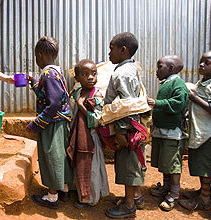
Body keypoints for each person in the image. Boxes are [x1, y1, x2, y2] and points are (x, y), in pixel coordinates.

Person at [26, 36, 73, 209]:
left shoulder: (48, 73)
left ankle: (52, 196)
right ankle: (64, 189)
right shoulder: (57, 71)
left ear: (39, 54)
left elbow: (52, 103)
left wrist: (37, 123)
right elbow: (50, 94)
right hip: (61, 121)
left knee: (51, 156)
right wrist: (34, 83)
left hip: (52, 123)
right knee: (61, 154)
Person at [104, 32, 146, 218]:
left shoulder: (123, 73)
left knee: (128, 164)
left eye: (111, 49)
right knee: (131, 162)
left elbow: (127, 106)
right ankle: (135, 197)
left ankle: (129, 205)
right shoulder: (131, 68)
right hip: (131, 125)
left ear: (123, 50)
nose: (109, 53)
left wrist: (121, 131)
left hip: (127, 128)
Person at [179, 50, 211, 210]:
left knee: (205, 165)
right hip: (197, 130)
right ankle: (202, 191)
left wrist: (194, 98)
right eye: (201, 61)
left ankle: (205, 199)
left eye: (207, 63)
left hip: (206, 132)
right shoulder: (200, 83)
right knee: (199, 163)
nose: (201, 65)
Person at [147, 55, 189, 211]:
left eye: (159, 67)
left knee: (173, 164)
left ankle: (174, 194)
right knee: (165, 162)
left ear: (171, 68)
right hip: (162, 132)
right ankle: (166, 187)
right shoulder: (166, 83)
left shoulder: (178, 83)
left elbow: (178, 103)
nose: (156, 70)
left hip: (172, 133)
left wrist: (156, 103)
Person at [67, 59, 109, 209]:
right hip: (78, 136)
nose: (91, 77)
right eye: (85, 74)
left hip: (91, 137)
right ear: (77, 78)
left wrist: (81, 106)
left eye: (93, 73)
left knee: (90, 167)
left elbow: (97, 119)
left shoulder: (96, 95)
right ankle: (79, 191)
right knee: (78, 164)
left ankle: (90, 198)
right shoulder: (77, 92)